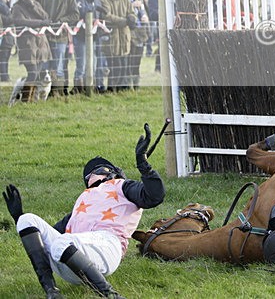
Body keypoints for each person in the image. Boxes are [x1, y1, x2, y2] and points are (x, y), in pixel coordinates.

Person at [4, 124, 165, 298]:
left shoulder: (123, 186)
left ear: (112, 174)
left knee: (63, 242)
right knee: (28, 220)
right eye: (87, 176)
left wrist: (143, 163)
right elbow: (43, 239)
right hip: (71, 259)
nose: (90, 176)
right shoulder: (84, 199)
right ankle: (52, 292)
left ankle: (110, 294)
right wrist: (18, 217)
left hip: (107, 247)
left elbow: (155, 196)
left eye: (97, 170)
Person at [34, 0, 79, 95]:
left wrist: (62, 20)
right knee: (44, 65)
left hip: (60, 36)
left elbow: (75, 14)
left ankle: (57, 93)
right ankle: (42, 93)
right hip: (43, 35)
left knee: (58, 66)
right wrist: (42, 21)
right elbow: (33, 9)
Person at [10, 0, 51, 102]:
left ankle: (32, 98)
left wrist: (32, 6)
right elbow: (21, 21)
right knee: (32, 73)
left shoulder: (36, 4)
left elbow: (45, 17)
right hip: (27, 45)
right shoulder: (17, 8)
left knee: (37, 74)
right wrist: (39, 23)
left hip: (40, 44)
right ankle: (25, 99)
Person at [99, 0, 136, 92]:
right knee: (114, 66)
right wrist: (125, 21)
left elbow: (131, 12)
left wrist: (132, 18)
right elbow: (107, 16)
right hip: (111, 36)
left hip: (124, 36)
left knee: (124, 65)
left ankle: (122, 89)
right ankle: (111, 89)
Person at [72, 0, 104, 94]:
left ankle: (90, 87)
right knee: (81, 63)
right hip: (81, 37)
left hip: (94, 37)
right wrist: (94, 9)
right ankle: (78, 88)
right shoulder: (79, 0)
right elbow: (82, 12)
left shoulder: (98, 1)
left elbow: (102, 14)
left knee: (93, 63)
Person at [121, 0, 149, 89]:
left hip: (140, 31)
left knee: (138, 58)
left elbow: (144, 11)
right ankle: (128, 84)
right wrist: (132, 5)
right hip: (129, 31)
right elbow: (121, 12)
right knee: (129, 59)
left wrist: (145, 17)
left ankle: (136, 84)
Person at [0, 0, 15, 81]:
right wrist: (13, 18)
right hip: (4, 35)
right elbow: (6, 19)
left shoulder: (5, 4)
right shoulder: (2, 5)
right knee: (4, 56)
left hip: (7, 35)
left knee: (5, 56)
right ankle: (5, 76)